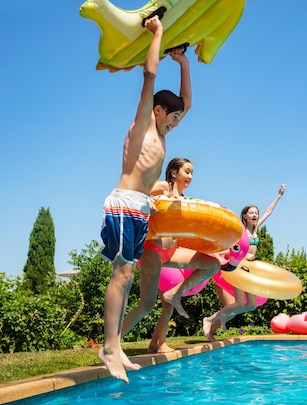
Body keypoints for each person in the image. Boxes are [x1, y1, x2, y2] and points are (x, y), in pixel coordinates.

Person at [98, 16, 196, 383]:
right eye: (171, 118)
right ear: (157, 110)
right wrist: (156, 34)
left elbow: (185, 102)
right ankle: (109, 346)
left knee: (125, 278)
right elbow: (150, 77)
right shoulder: (143, 123)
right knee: (121, 276)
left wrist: (184, 63)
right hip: (124, 202)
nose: (175, 124)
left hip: (140, 209)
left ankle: (115, 345)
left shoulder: (163, 132)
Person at [121, 158, 221, 354]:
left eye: (192, 173)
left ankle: (157, 343)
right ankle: (111, 345)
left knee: (211, 264)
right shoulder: (163, 187)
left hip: (172, 252)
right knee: (146, 305)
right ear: (174, 173)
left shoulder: (184, 198)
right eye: (187, 171)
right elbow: (134, 193)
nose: (190, 176)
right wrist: (147, 202)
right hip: (152, 250)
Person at [203, 184, 286, 341]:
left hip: (250, 268)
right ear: (245, 216)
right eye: (251, 213)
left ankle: (213, 322)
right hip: (239, 267)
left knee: (251, 305)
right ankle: (210, 320)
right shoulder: (240, 230)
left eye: (256, 213)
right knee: (239, 304)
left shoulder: (255, 229)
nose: (255, 215)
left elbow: (268, 212)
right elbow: (233, 248)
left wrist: (279, 196)